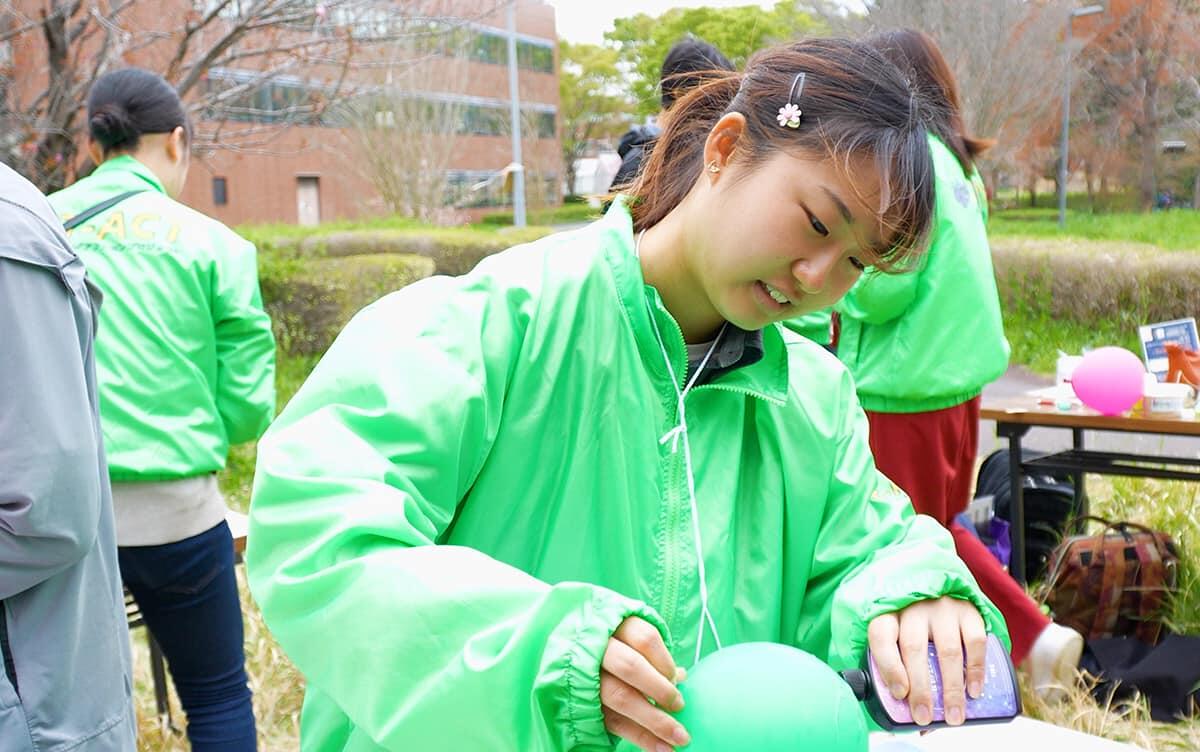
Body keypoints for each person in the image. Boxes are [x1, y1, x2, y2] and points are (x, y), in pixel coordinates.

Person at [247, 38, 1008, 752]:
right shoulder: (486, 325)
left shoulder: (813, 395)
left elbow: (863, 549)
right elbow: (321, 539)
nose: (818, 279)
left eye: (856, 264)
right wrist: (546, 654)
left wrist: (908, 596)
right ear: (726, 148)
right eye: (815, 223)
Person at [835, 29, 1083, 698]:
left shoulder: (906, 162)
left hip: (901, 388)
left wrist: (831, 279)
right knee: (936, 527)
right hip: (955, 387)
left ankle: (1017, 644)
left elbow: (886, 290)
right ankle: (1029, 638)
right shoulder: (956, 164)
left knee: (897, 537)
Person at [48, 68, 275, 751]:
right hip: (180, 514)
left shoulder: (38, 228)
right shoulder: (216, 246)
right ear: (176, 142)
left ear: (93, 147)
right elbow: (246, 405)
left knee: (67, 706)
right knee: (215, 694)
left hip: (61, 518)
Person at [0, 162, 137, 750]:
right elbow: (244, 393)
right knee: (214, 690)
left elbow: (43, 514)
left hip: (32, 696)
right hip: (183, 494)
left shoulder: (10, 234)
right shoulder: (210, 241)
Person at [608, 37, 734, 191]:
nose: (720, 114)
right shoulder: (645, 163)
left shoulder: (706, 155)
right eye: (712, 101)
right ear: (681, 95)